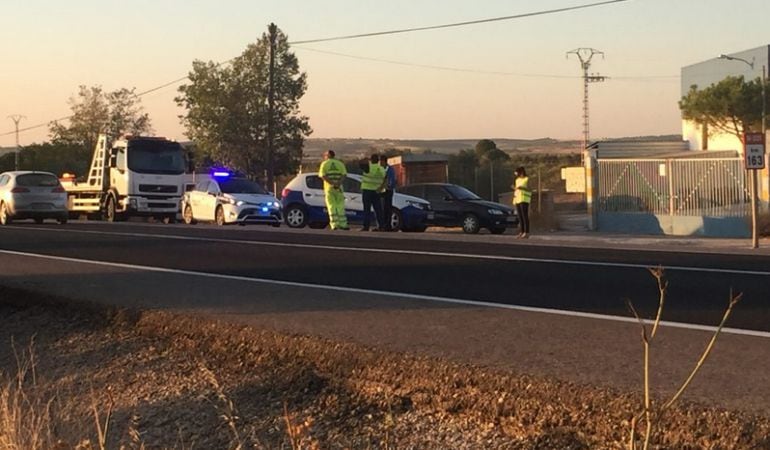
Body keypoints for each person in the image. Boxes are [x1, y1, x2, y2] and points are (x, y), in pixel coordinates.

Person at [318, 150, 349, 230]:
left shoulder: (324, 164)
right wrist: (338, 183)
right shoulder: (340, 164)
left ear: (327, 155)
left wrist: (332, 183)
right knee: (340, 206)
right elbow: (344, 175)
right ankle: (343, 224)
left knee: (331, 206)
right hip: (339, 188)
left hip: (329, 188)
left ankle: (334, 224)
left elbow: (323, 176)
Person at [359, 154, 386, 231]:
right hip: (376, 191)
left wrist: (366, 158)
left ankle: (366, 226)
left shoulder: (368, 167)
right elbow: (385, 179)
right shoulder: (381, 169)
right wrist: (381, 188)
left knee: (366, 209)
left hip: (367, 191)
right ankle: (381, 226)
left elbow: (360, 163)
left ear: (371, 160)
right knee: (378, 209)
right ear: (378, 161)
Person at [513, 166, 531, 238]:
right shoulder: (517, 180)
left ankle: (526, 232)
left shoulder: (527, 179)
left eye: (517, 172)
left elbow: (530, 189)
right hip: (518, 199)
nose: (516, 174)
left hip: (524, 199)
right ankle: (521, 231)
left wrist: (522, 188)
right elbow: (516, 190)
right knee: (520, 217)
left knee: (524, 216)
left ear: (521, 172)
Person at [379, 155, 397, 231]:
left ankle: (387, 225)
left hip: (388, 191)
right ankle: (382, 225)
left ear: (384, 161)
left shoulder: (390, 169)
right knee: (382, 208)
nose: (380, 163)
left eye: (381, 161)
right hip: (382, 190)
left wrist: (388, 187)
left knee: (387, 208)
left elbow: (391, 180)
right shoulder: (380, 169)